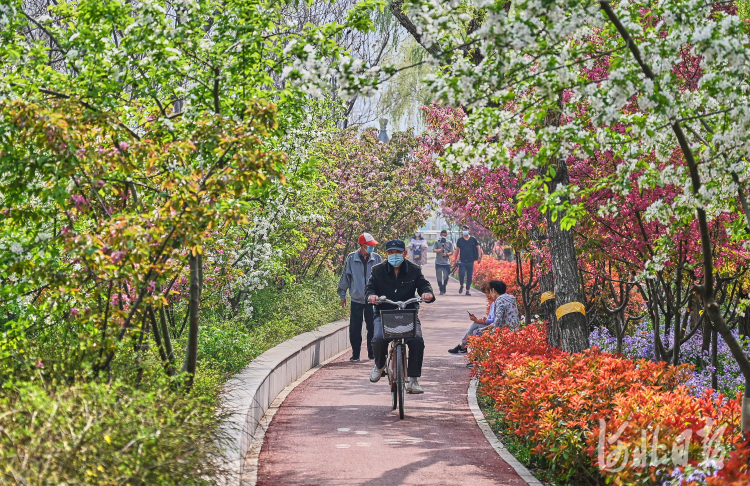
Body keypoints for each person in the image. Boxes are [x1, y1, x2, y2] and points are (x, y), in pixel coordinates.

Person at [366, 239, 434, 394]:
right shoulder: (378, 270)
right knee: (378, 339)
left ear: (404, 253)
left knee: (417, 341)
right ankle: (380, 364)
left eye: (397, 252)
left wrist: (427, 293)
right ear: (386, 254)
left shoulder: (414, 270)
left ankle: (413, 380)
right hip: (384, 313)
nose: (394, 255)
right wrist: (372, 296)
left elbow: (424, 284)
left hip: (407, 314)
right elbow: (370, 288)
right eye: (391, 253)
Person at [337, 233, 382, 362]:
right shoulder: (352, 258)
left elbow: (383, 277)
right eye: (370, 245)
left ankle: (371, 353)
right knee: (355, 328)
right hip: (356, 299)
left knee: (372, 327)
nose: (372, 247)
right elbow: (346, 277)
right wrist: (342, 295)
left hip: (372, 300)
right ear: (362, 245)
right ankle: (355, 353)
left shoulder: (377, 258)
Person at [448, 280, 520, 353]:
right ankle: (470, 352)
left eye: (490, 291)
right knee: (478, 329)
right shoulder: (509, 298)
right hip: (513, 329)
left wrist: (483, 329)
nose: (489, 295)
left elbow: (497, 322)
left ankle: (477, 358)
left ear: (494, 291)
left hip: (506, 331)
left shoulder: (500, 301)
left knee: (477, 332)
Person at [454, 225, 482, 296]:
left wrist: (479, 257)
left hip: (470, 260)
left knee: (469, 276)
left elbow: (478, 248)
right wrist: (455, 259)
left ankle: (467, 290)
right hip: (462, 261)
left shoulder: (473, 239)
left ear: (469, 231)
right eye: (463, 230)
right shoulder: (460, 240)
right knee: (461, 274)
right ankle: (461, 285)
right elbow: (457, 250)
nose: (464, 231)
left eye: (465, 230)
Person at [433, 230, 454, 295]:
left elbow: (452, 252)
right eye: (443, 235)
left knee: (446, 277)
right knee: (439, 277)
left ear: (447, 235)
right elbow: (434, 250)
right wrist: (440, 250)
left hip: (446, 263)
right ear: (440, 235)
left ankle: (444, 286)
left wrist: (447, 254)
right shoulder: (437, 242)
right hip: (438, 262)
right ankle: (441, 288)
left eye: (445, 235)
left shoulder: (449, 243)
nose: (444, 236)